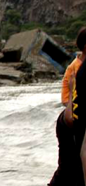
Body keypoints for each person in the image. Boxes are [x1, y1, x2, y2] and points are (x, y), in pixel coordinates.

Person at [55, 27, 86, 186]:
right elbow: (67, 98)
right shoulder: (76, 67)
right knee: (68, 170)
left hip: (74, 116)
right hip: (71, 116)